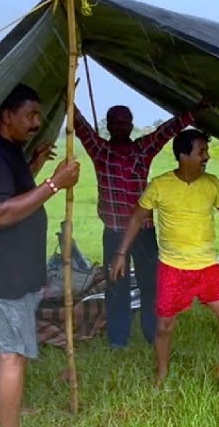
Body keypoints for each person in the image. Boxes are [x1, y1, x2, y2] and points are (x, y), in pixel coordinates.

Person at [111, 128, 219, 388]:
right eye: (201, 152)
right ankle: (162, 372)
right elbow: (137, 218)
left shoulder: (211, 184)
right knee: (164, 326)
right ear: (183, 155)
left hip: (207, 266)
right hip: (173, 269)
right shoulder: (160, 185)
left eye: (206, 151)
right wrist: (121, 254)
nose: (206, 156)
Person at [0, 83, 80, 427]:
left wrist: (34, 168)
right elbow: (1, 213)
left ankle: (2, 410)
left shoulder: (9, 151)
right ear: (7, 115)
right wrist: (54, 183)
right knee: (12, 353)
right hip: (8, 272)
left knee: (5, 345)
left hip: (17, 268)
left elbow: (12, 193)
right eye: (31, 114)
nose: (37, 122)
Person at [73, 101, 206, 347]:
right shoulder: (100, 151)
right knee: (116, 286)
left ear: (131, 126)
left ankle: (151, 333)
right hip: (114, 233)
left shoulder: (142, 149)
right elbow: (81, 128)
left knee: (150, 285)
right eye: (115, 122)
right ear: (109, 126)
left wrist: (193, 112)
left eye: (124, 122)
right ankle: (118, 339)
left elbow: (167, 131)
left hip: (143, 232)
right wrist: (67, 102)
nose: (120, 126)